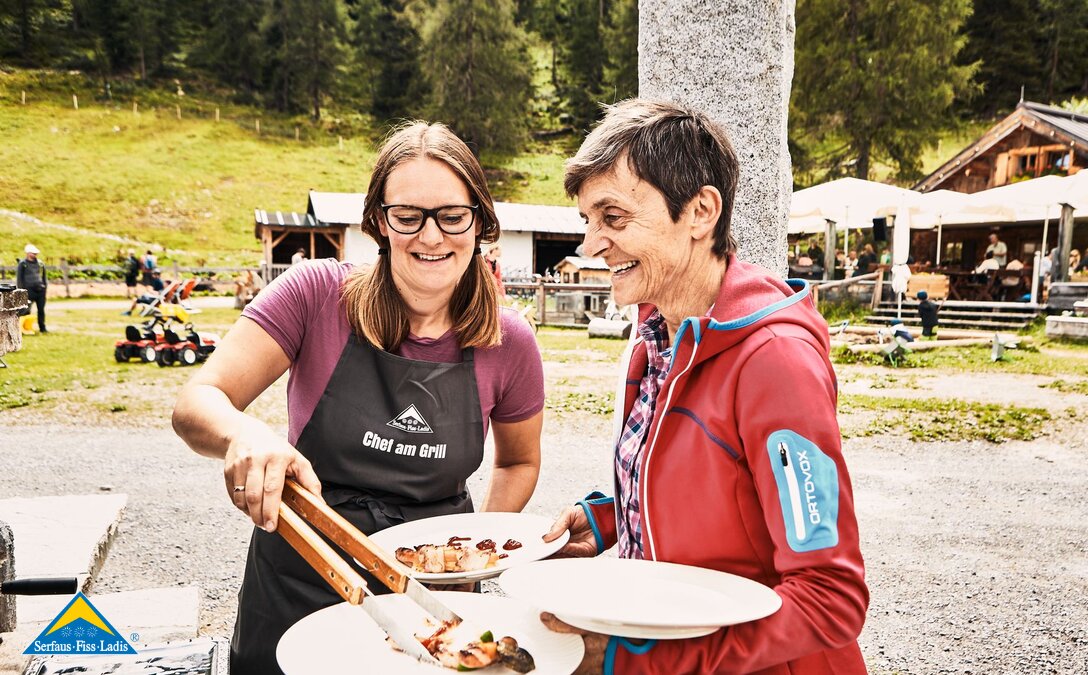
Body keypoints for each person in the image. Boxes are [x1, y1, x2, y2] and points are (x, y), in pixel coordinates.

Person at [171, 121, 546, 675]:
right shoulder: (315, 295)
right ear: (379, 222)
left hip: (427, 594)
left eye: (452, 215)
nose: (432, 236)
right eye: (408, 216)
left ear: (479, 222)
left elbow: (518, 462)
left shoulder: (509, 341)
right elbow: (197, 401)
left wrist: (472, 554)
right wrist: (245, 433)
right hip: (300, 577)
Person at [540, 100, 867, 674]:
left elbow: (829, 597)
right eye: (588, 221)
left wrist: (637, 662)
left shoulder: (775, 362)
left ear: (700, 211)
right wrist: (612, 517)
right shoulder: (657, 334)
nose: (590, 245)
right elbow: (720, 493)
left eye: (613, 218)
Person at [16, 244, 48, 333]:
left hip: (40, 290)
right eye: (33, 253)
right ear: (28, 253)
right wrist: (21, 291)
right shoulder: (22, 264)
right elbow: (19, 279)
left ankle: (42, 328)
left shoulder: (40, 264)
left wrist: (45, 287)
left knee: (41, 310)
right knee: (26, 310)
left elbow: (44, 277)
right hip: (28, 290)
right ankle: (24, 328)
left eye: (35, 253)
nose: (35, 255)